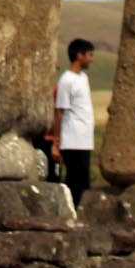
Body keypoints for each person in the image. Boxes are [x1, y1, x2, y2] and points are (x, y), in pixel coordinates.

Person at [51, 39, 98, 202]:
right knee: (73, 182)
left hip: (84, 140)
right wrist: (56, 144)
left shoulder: (83, 77)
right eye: (90, 55)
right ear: (79, 55)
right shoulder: (66, 80)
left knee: (84, 182)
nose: (92, 59)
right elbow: (59, 112)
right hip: (72, 139)